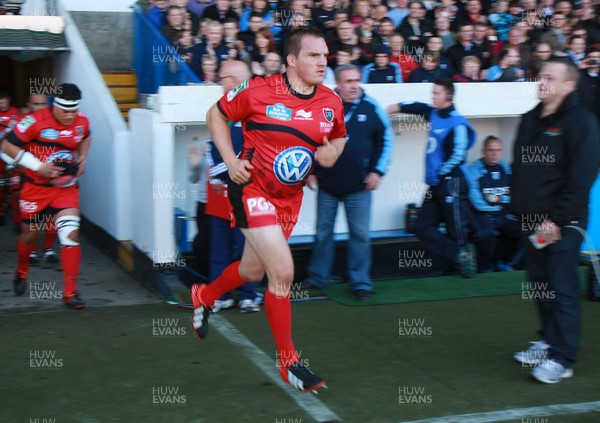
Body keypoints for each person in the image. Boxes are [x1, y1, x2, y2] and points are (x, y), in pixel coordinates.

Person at [191, 27, 346, 392]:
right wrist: (230, 160)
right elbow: (216, 114)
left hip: (289, 199)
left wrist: (332, 152)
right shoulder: (259, 90)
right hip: (251, 189)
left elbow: (338, 135)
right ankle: (289, 362)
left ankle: (205, 296)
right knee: (283, 271)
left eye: (325, 55)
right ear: (292, 60)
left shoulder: (331, 101)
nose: (323, 61)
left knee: (251, 269)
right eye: (313, 55)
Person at [510, 58, 600, 384]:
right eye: (540, 76)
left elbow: (581, 178)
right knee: (541, 285)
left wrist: (556, 219)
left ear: (569, 85)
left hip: (563, 222)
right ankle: (549, 341)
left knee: (561, 287)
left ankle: (563, 358)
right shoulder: (529, 118)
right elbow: (520, 167)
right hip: (530, 219)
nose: (542, 81)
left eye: (550, 77)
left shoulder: (581, 123)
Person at [303, 64, 392, 302]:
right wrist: (310, 171)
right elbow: (310, 139)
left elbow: (386, 141)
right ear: (338, 85)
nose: (353, 86)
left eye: (356, 80)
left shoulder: (372, 108)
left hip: (359, 186)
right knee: (323, 233)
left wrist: (377, 172)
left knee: (360, 235)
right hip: (328, 184)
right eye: (348, 81)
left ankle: (361, 282)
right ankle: (318, 277)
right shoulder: (324, 107)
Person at [0, 83, 92, 308]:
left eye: (74, 111)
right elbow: (5, 147)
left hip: (65, 189)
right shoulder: (33, 122)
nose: (70, 116)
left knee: (70, 235)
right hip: (34, 188)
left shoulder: (82, 121)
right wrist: (39, 167)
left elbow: (86, 136)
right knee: (30, 237)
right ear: (55, 105)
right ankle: (21, 271)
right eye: (65, 111)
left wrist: (83, 158)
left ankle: (70, 293)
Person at [387, 78, 477, 277]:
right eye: (433, 92)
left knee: (456, 228)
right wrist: (398, 107)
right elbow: (420, 108)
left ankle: (461, 265)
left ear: (449, 96)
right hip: (436, 183)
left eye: (437, 93)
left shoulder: (457, 123)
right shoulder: (434, 113)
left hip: (452, 182)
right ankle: (459, 255)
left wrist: (441, 173)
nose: (433, 96)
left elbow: (459, 155)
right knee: (422, 226)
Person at [204, 60, 262, 313]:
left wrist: (219, 170)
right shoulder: (219, 111)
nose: (221, 83)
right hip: (219, 192)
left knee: (246, 246)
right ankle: (220, 295)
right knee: (219, 246)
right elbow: (210, 147)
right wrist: (215, 173)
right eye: (221, 79)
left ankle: (248, 294)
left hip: (246, 192)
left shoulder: (255, 112)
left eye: (225, 78)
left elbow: (251, 154)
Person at [467, 136, 521, 272]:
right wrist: (501, 200)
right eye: (491, 150)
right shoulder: (475, 170)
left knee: (530, 229)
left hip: (503, 213)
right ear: (483, 151)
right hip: (483, 214)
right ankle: (486, 268)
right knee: (487, 233)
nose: (495, 153)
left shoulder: (505, 168)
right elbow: (477, 202)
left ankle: (508, 263)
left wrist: (498, 200)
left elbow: (514, 195)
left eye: (498, 150)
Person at [0, 89, 20, 227]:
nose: (1, 105)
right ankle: (1, 212)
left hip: (12, 155)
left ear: (8, 100)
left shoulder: (17, 113)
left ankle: (18, 220)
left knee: (15, 188)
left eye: (3, 101)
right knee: (1, 186)